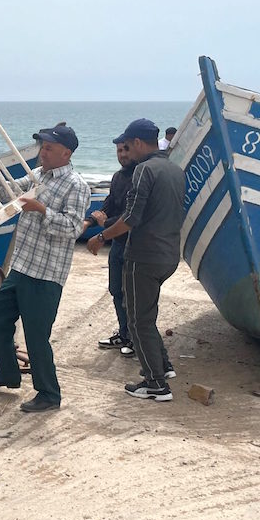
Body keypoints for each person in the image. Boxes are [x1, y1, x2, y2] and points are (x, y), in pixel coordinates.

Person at [0, 124, 91, 413]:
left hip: (47, 274)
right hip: (22, 265)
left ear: (66, 153)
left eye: (49, 148)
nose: (43, 152)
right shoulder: (38, 176)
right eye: (42, 146)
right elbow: (8, 196)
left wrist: (41, 210)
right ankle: (8, 374)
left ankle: (49, 394)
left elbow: (74, 228)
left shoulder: (76, 185)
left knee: (36, 336)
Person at [88, 118, 185, 402]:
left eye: (128, 145)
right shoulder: (174, 169)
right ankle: (163, 367)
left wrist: (101, 236)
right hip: (168, 254)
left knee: (138, 319)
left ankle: (155, 384)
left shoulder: (144, 170)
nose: (126, 151)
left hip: (143, 256)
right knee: (147, 316)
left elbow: (131, 219)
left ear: (139, 143)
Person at [85, 140, 136, 352]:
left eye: (126, 150)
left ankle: (135, 338)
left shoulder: (139, 178)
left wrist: (103, 225)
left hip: (135, 245)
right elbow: (109, 204)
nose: (122, 154)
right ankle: (124, 334)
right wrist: (90, 220)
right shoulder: (117, 177)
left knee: (133, 294)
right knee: (116, 289)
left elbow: (127, 215)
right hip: (117, 244)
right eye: (118, 150)